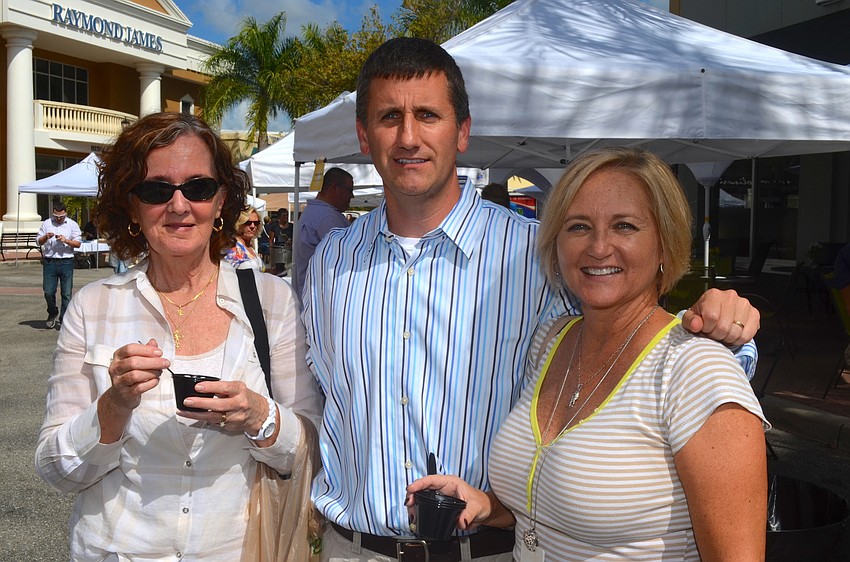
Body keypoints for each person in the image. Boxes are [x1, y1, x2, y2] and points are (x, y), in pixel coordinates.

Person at [302, 37, 759, 561]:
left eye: (428, 115)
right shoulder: (331, 263)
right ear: (364, 134)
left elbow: (634, 344)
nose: (409, 136)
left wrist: (724, 330)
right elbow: (317, 400)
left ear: (463, 132)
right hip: (353, 550)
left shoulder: (539, 254)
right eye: (389, 117)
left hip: (490, 550)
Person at [409, 147, 769, 561]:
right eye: (579, 226)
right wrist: (489, 505)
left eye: (625, 226)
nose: (599, 247)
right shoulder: (552, 340)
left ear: (665, 246)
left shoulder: (695, 370)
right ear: (556, 245)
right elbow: (556, 506)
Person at [35, 112, 323, 561]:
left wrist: (259, 416)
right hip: (116, 549)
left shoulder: (271, 301)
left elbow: (308, 446)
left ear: (221, 198)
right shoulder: (93, 306)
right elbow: (56, 469)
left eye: (198, 187)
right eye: (156, 190)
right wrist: (113, 407)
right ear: (132, 205)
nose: (179, 205)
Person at [293, 167, 354, 300]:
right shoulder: (327, 217)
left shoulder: (313, 212)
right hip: (323, 298)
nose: (352, 196)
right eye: (350, 190)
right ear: (334, 188)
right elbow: (345, 258)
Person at [37, 200, 81, 329]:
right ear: (53, 214)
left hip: (66, 261)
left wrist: (66, 240)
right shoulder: (46, 223)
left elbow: (78, 243)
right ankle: (52, 312)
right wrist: (46, 237)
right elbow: (39, 241)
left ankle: (64, 319)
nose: (59, 219)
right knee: (48, 292)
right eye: (57, 217)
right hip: (50, 262)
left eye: (62, 216)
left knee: (66, 293)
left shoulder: (72, 224)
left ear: (65, 214)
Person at [224, 206, 265, 271]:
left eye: (256, 223)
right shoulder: (232, 247)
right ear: (239, 224)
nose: (252, 226)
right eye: (248, 223)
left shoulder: (250, 247)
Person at [270, 207, 294, 274]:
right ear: (279, 217)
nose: (286, 217)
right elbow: (271, 241)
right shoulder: (274, 226)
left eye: (287, 215)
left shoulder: (291, 226)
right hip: (278, 252)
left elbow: (295, 239)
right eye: (284, 216)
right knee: (278, 272)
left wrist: (290, 241)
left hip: (289, 252)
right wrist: (272, 258)